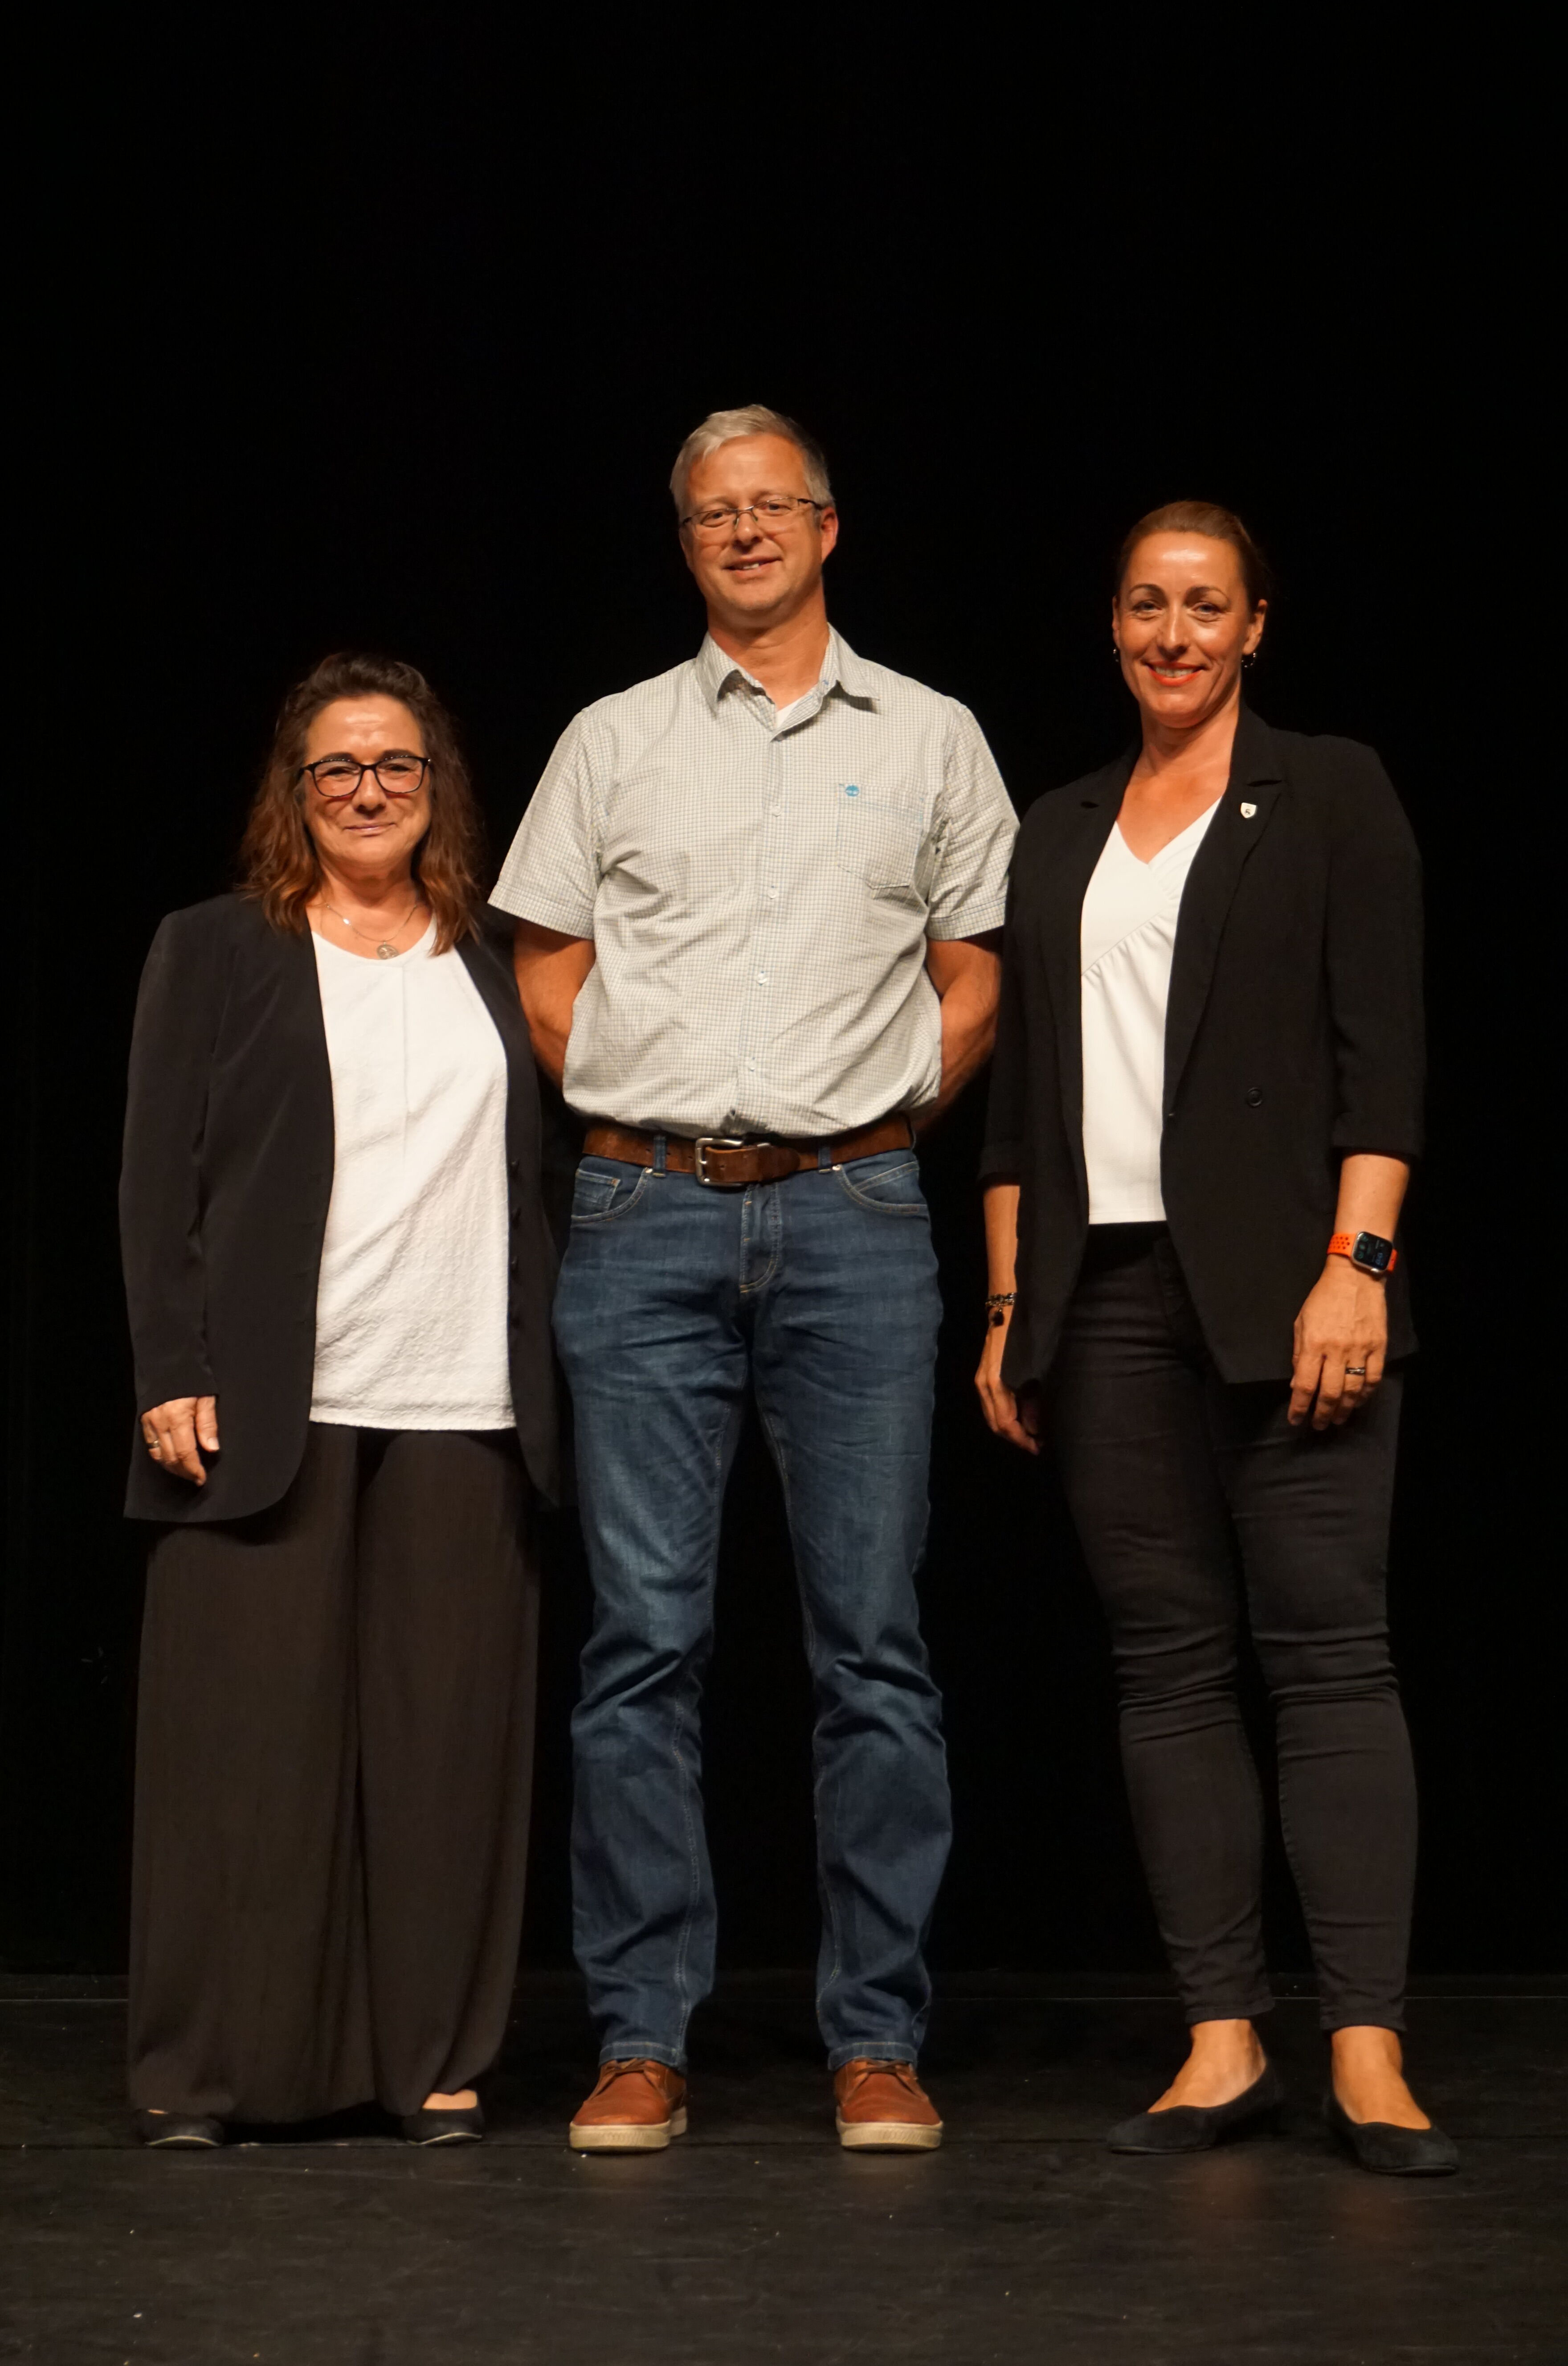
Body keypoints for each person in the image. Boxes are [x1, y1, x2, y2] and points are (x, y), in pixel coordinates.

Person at [493, 404, 1017, 2153]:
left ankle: (876, 2037)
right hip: (643, 1215)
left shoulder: (932, 735)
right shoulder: (612, 738)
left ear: (828, 526)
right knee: (642, 1643)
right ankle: (642, 2036)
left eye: (772, 505)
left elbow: (972, 976)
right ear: (686, 540)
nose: (744, 532)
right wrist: (637, 1108)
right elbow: (546, 966)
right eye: (713, 512)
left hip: (853, 1219)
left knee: (873, 1645)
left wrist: (874, 1123)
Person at [976, 502, 1457, 2176]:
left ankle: (1369, 2050)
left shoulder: (1329, 790)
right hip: (1101, 1298)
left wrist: (1359, 1266)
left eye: (1203, 606)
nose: (1171, 635)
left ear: (1256, 625)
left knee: (1329, 1657)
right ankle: (1223, 2039)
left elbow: (1383, 1057)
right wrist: (1010, 1305)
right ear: (1112, 627)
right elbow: (1023, 1107)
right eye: (1144, 606)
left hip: (1288, 1290)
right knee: (1168, 1668)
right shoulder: (1060, 827)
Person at [119, 651, 560, 2149]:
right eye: (338, 769)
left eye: (396, 765)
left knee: (444, 1754)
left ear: (437, 787)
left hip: (466, 1398)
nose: (369, 791)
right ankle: (210, 2073)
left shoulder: (500, 956)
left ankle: (427, 2057)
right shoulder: (216, 947)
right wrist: (170, 1365)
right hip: (267, 1403)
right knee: (245, 1755)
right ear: (296, 792)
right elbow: (155, 1175)